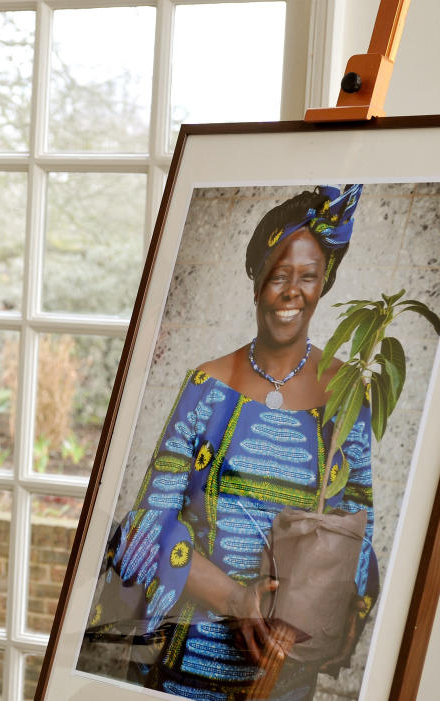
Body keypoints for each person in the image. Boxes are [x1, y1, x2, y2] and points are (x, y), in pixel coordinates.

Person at [85, 185, 378, 699]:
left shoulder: (345, 395)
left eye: (307, 276)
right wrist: (236, 598)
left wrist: (317, 613)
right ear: (256, 278)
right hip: (188, 663)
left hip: (284, 676)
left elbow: (358, 521)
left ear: (324, 282)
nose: (292, 291)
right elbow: (148, 524)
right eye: (278, 275)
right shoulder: (207, 386)